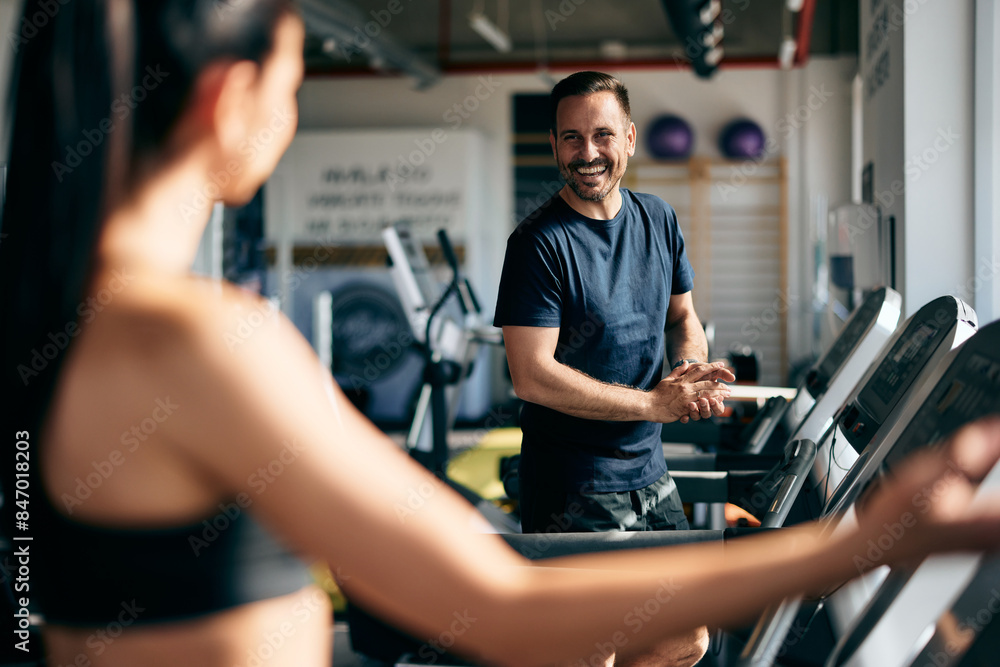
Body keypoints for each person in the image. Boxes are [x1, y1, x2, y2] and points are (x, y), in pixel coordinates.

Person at [2, 4, 1000, 667]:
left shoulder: (68, 327)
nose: (293, 113)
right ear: (228, 100)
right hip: (577, 482)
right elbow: (499, 600)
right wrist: (861, 543)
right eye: (295, 84)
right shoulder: (204, 343)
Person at [493, 70, 738, 665]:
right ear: (553, 146)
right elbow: (531, 374)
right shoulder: (538, 244)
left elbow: (684, 318)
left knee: (687, 636)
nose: (587, 153)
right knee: (593, 649)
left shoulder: (658, 220)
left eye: (601, 135)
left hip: (649, 471)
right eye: (571, 138)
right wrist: (656, 404)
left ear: (628, 138)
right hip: (573, 482)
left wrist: (689, 370)